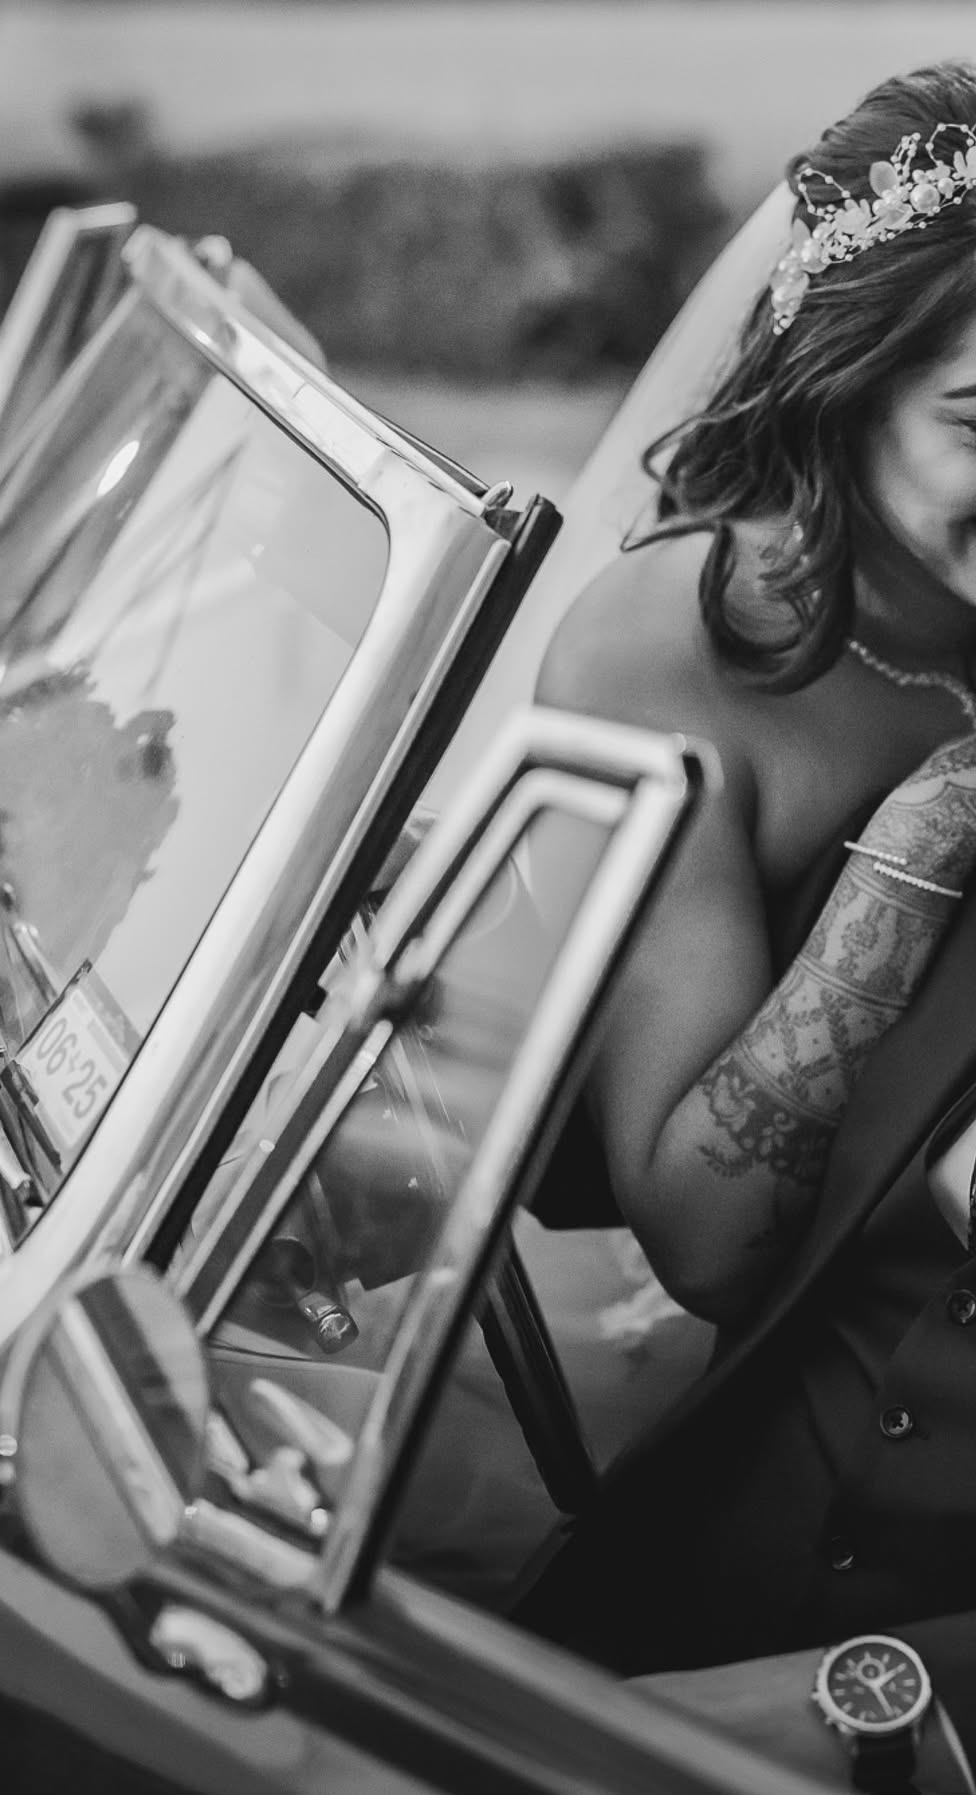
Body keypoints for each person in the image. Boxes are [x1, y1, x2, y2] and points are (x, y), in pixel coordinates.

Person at [520, 60, 976, 1793]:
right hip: (802, 1456)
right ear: (846, 379)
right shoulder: (681, 650)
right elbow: (703, 1241)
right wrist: (922, 841)